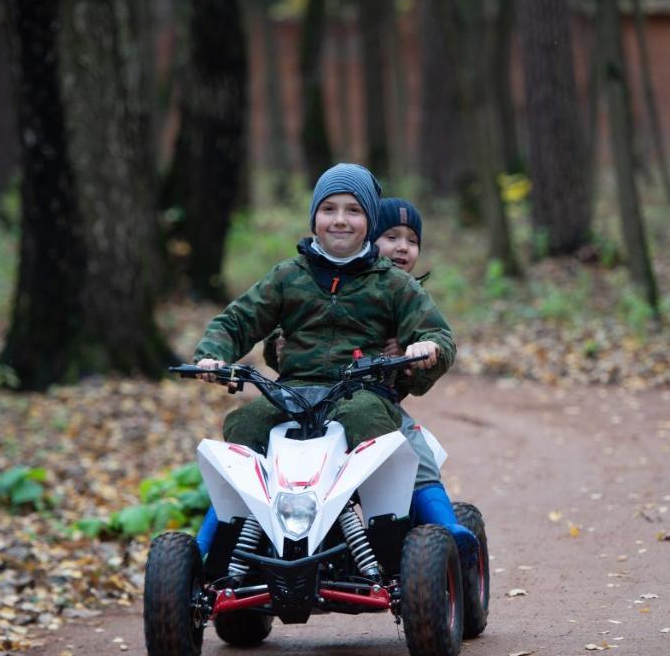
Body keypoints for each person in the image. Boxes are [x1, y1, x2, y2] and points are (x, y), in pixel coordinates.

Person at [192, 164, 477, 566]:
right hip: (292, 391)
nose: (340, 220)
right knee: (244, 425)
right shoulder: (288, 276)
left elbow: (435, 332)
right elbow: (237, 320)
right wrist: (213, 354)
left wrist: (427, 346)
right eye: (328, 209)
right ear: (314, 218)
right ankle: (212, 548)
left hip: (362, 391)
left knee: (368, 420)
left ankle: (384, 535)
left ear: (369, 221)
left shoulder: (392, 283)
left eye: (353, 210)